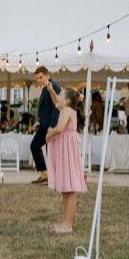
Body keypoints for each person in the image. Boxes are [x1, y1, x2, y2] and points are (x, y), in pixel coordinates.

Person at [45, 86, 87, 234]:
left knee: (70, 188)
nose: (58, 97)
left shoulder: (68, 111)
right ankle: (65, 221)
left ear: (68, 100)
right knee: (66, 189)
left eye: (61, 95)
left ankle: (68, 224)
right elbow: (56, 100)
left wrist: (49, 133)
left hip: (68, 151)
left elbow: (60, 128)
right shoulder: (66, 108)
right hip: (66, 149)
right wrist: (50, 89)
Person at [30, 66, 61, 184]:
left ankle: (53, 178)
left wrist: (52, 127)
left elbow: (56, 108)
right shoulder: (45, 87)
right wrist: (38, 122)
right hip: (43, 125)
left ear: (47, 75)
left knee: (50, 151)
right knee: (34, 146)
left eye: (41, 77)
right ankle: (44, 174)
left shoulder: (54, 86)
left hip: (50, 126)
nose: (39, 80)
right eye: (37, 78)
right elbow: (45, 109)